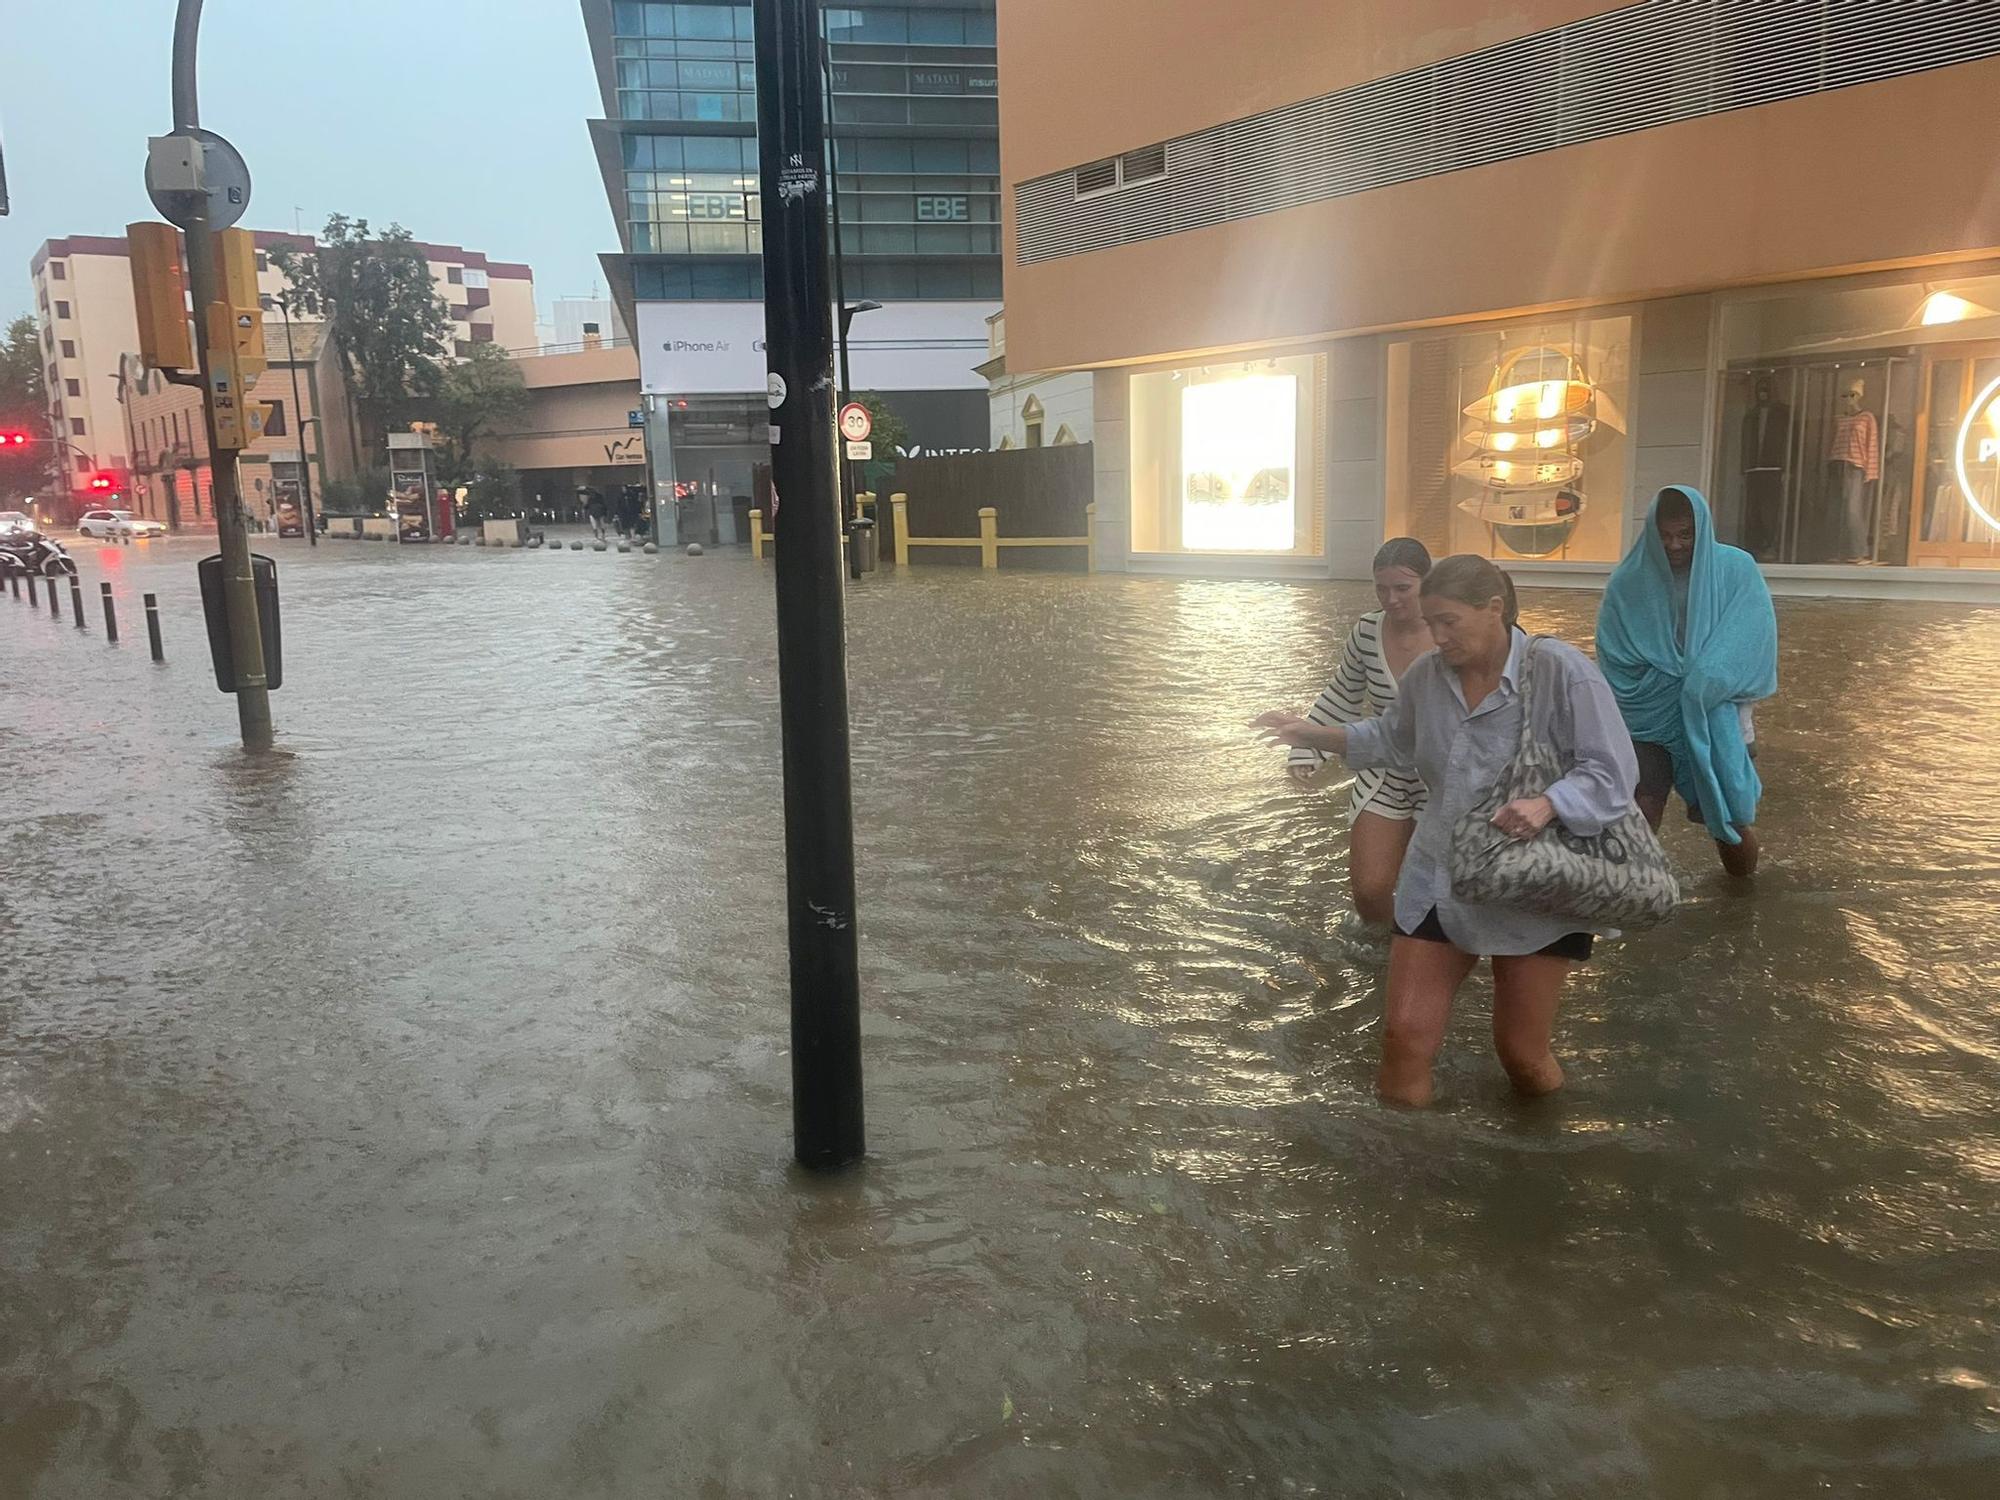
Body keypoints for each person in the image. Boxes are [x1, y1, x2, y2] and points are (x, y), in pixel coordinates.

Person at [1255, 555, 1639, 1107]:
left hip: (1538, 880)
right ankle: (1402, 1180)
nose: (1435, 636)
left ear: (1494, 610)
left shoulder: (1560, 670)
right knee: (1403, 1040)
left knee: (1522, 1056)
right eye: (1430, 623)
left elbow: (1613, 771)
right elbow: (1391, 740)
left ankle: (1543, 1159)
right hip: (1442, 872)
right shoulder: (1428, 677)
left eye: (1448, 622)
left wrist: (1549, 804)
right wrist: (1312, 735)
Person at [1597, 486, 1776, 879]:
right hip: (1646, 714)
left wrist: (1703, 680)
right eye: (1664, 536)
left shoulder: (1736, 569)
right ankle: (1629, 895)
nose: (1674, 545)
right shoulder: (1629, 580)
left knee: (1727, 821)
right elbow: (1613, 650)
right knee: (1642, 803)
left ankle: (1743, 896)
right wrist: (1667, 680)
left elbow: (1751, 636)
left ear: (1702, 529)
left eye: (1684, 535)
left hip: (1718, 709)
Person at [1286, 538, 1434, 931]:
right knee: (1369, 890)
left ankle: (1424, 954)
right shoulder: (1368, 630)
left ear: (1428, 582)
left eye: (1403, 588)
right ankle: (1385, 954)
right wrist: (1306, 746)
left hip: (1442, 776)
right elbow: (1342, 692)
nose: (1391, 599)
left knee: (1433, 890)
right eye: (1381, 588)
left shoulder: (1450, 630)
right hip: (1383, 768)